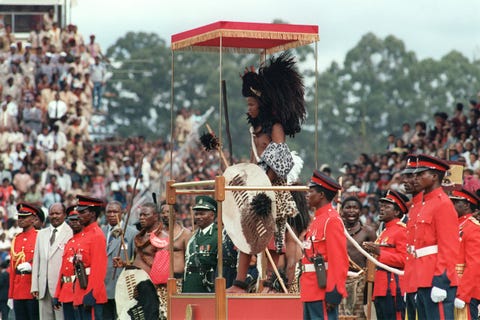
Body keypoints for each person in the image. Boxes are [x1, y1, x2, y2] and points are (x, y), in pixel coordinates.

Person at [228, 52, 306, 293]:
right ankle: (241, 282)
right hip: (255, 188)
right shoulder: (256, 129)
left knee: (274, 236)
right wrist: (246, 179)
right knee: (246, 231)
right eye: (247, 105)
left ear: (261, 103)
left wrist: (265, 183)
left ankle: (272, 282)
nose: (248, 108)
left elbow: (282, 158)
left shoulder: (275, 127)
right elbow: (253, 162)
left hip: (273, 190)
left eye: (251, 104)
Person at [410, 154, 459, 319]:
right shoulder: (426, 204)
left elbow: (449, 247)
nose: (415, 178)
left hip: (436, 278)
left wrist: (441, 281)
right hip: (423, 278)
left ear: (434, 176)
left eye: (420, 174)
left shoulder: (442, 203)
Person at [300, 170, 348, 320]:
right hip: (310, 288)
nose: (307, 195)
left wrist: (334, 290)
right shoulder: (317, 219)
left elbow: (339, 260)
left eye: (311, 191)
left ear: (321, 195)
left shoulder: (331, 220)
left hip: (322, 290)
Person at [363, 190, 408, 320]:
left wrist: (379, 252)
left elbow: (404, 259)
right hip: (380, 288)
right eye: (381, 206)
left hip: (393, 288)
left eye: (386, 207)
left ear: (397, 212)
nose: (381, 209)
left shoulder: (401, 230)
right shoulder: (384, 231)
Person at [31, 202, 73, 320]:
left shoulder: (70, 232)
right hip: (43, 287)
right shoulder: (41, 234)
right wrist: (35, 285)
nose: (54, 216)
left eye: (57, 213)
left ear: (64, 215)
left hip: (61, 287)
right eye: (51, 213)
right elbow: (36, 261)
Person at [339, 196, 376, 317]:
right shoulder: (337, 230)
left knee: (357, 314)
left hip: (361, 281)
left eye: (355, 208)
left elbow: (375, 258)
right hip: (339, 278)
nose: (351, 211)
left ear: (360, 211)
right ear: (342, 211)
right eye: (348, 207)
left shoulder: (368, 231)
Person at [101, 201, 137, 320]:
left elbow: (136, 260)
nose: (112, 214)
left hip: (121, 286)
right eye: (109, 212)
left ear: (122, 213)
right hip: (103, 286)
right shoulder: (101, 232)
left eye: (115, 212)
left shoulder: (131, 233)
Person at [73, 195, 107, 320]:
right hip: (81, 288)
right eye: (78, 212)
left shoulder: (97, 235)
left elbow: (99, 268)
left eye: (82, 212)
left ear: (92, 214)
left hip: (91, 291)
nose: (79, 215)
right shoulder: (84, 234)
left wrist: (91, 293)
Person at [449, 189, 480, 319]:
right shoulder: (454, 225)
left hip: (467, 291)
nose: (451, 205)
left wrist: (463, 294)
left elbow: (474, 264)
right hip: (451, 287)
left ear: (467, 205)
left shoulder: (473, 227)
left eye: (455, 202)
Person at [9, 203, 41, 320]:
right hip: (18, 290)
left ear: (33, 219)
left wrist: (32, 265)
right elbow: (12, 269)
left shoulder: (40, 236)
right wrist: (11, 294)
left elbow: (43, 261)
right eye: (19, 217)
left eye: (24, 217)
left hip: (33, 289)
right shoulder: (16, 239)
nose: (20, 219)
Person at [401, 154, 423, 320]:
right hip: (411, 279)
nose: (405, 180)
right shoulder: (414, 207)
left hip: (423, 280)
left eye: (409, 176)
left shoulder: (426, 205)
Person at [54, 206, 84, 320]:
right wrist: (57, 294)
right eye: (72, 220)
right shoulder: (69, 242)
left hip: (80, 290)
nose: (74, 223)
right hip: (66, 292)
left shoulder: (86, 240)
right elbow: (63, 271)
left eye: (77, 219)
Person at [183, 196, 218, 293]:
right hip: (190, 285)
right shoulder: (193, 237)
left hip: (207, 288)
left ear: (212, 215)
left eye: (202, 214)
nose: (198, 217)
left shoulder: (218, 235)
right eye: (197, 214)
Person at [159, 201, 191, 287]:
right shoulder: (156, 234)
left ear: (176, 213)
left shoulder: (185, 233)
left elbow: (189, 258)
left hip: (178, 280)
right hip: (159, 281)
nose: (165, 215)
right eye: (162, 212)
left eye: (168, 211)